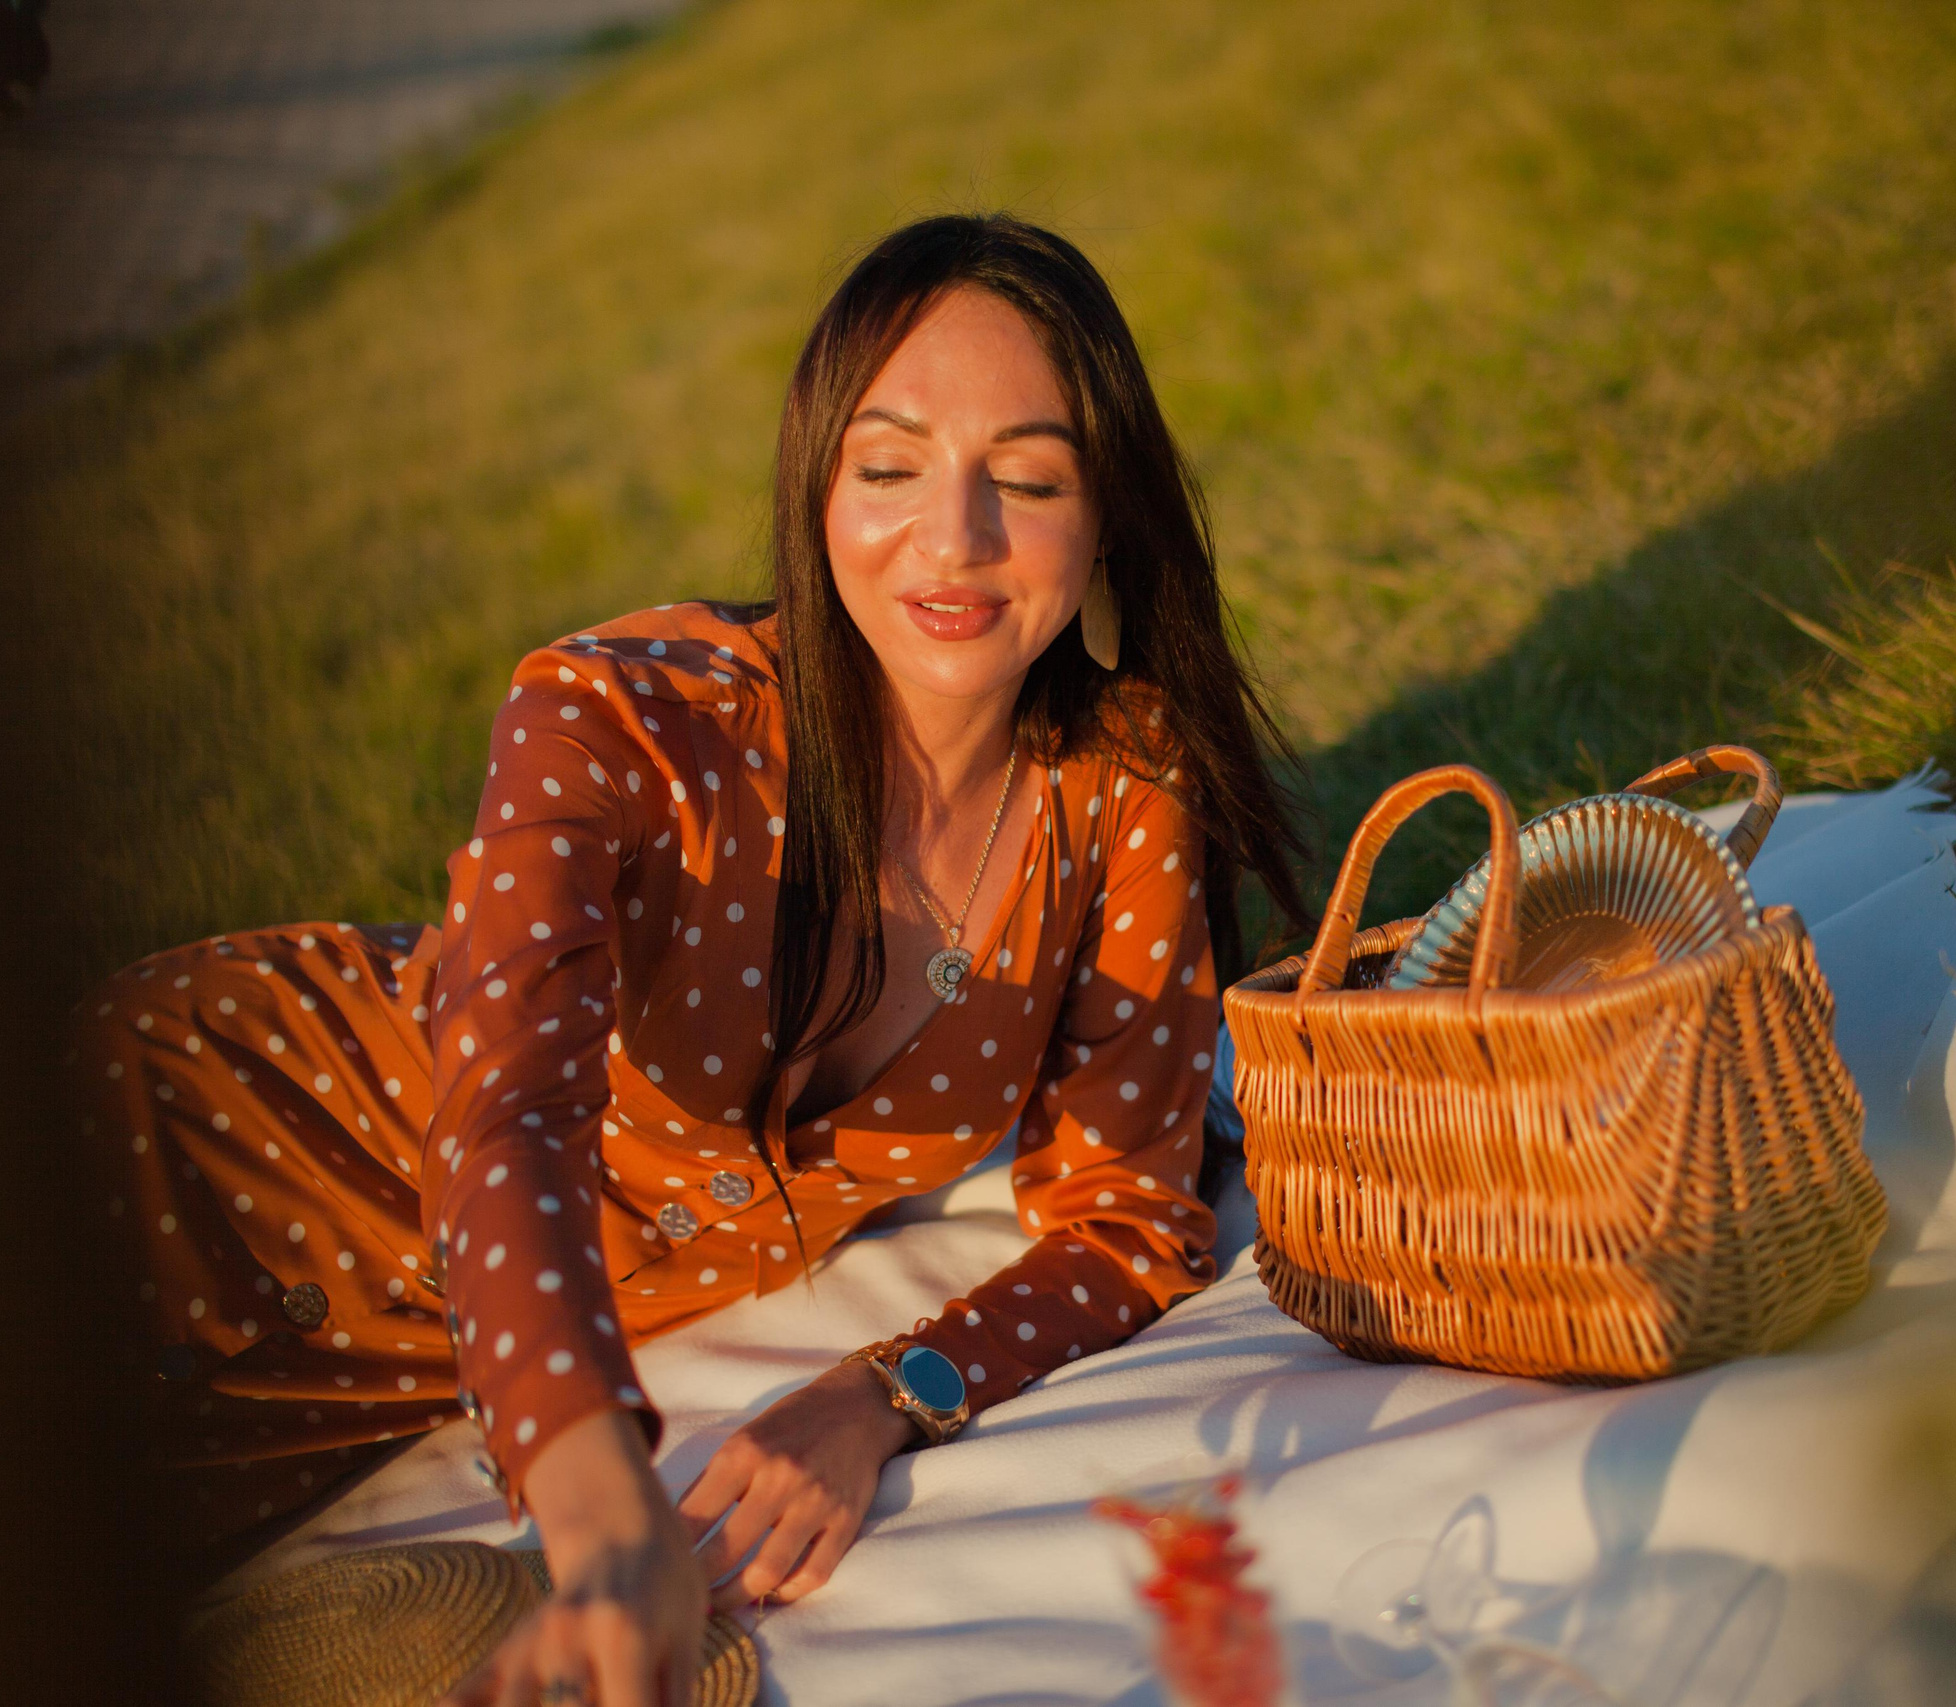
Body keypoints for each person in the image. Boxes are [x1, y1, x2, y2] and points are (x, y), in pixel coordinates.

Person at [73, 213, 1310, 1707]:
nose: (957, 539)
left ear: (1106, 516)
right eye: (890, 466)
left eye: (1030, 480)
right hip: (208, 1156)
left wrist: (884, 1396)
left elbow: (1131, 1212)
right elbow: (505, 1112)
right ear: (815, 483)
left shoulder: (1121, 786)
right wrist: (604, 1524)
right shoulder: (614, 720)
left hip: (358, 1393)